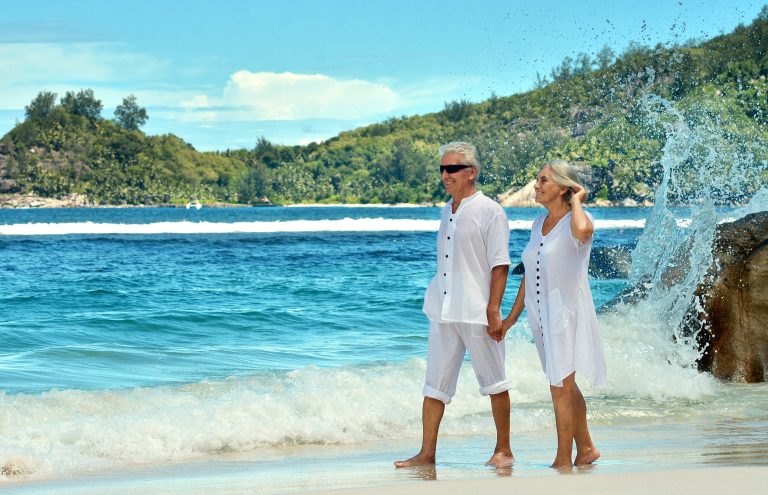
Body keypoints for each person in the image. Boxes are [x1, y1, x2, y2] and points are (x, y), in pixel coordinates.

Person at [395, 142, 514, 469]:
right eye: (442, 169)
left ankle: (504, 449)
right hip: (443, 310)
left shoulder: (490, 211)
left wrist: (493, 310)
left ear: (471, 172)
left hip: (476, 311)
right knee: (434, 385)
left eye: (452, 169)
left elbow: (500, 264)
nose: (445, 175)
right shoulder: (446, 210)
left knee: (495, 382)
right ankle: (426, 454)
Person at [502, 159, 607, 469]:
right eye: (538, 180)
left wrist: (577, 200)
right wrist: (510, 318)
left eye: (544, 180)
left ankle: (562, 459)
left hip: (565, 312)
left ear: (563, 187)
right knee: (565, 384)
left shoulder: (579, 219)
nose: (536, 185)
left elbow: (584, 232)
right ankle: (586, 447)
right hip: (540, 314)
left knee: (559, 386)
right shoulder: (538, 223)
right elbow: (529, 273)